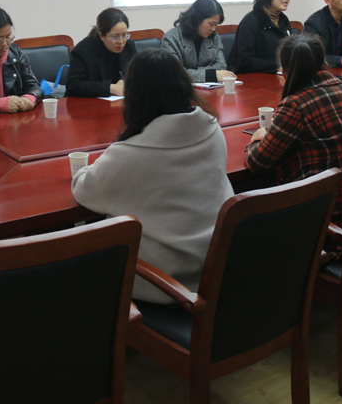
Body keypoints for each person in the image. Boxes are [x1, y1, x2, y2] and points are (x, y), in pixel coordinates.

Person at [72, 49, 233, 304]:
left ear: (134, 96)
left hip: (167, 283)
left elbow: (84, 189)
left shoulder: (131, 154)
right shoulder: (213, 130)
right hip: (219, 265)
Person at [245, 34, 342, 229]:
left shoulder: (295, 105)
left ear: (284, 72)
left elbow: (258, 162)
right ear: (324, 64)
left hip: (324, 222)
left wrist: (258, 138)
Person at [228, 0, 294, 74]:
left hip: (277, 76)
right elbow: (245, 61)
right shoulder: (249, 22)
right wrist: (277, 67)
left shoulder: (283, 20)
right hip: (251, 78)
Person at [162, 0, 236, 83]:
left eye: (216, 25)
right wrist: (210, 75)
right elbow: (175, 73)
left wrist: (191, 72)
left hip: (212, 88)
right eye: (211, 24)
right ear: (197, 19)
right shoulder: (172, 38)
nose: (213, 29)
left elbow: (221, 66)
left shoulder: (214, 37)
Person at [66, 7, 137, 97]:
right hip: (87, 103)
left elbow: (139, 75)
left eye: (124, 35)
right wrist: (110, 88)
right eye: (115, 37)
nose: (120, 41)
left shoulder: (129, 47)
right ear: (101, 36)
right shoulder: (84, 50)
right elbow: (73, 85)